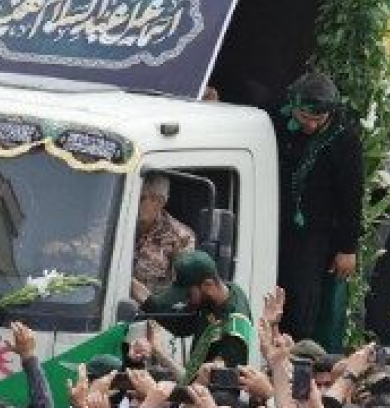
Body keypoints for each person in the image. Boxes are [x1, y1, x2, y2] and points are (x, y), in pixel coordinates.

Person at [274, 72, 363, 343]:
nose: (310, 125)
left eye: (318, 119)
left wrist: (347, 248)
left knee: (303, 300)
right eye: (304, 117)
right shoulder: (280, 123)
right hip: (277, 224)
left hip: (316, 235)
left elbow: (351, 197)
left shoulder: (344, 140)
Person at [142, 249, 253, 373]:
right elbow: (182, 325)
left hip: (207, 391)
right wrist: (143, 298)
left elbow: (208, 382)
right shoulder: (217, 295)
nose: (186, 300)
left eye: (188, 294)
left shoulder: (235, 329)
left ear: (208, 284)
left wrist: (160, 353)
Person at [131, 173, 197, 302]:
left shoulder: (181, 237)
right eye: (137, 197)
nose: (137, 203)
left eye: (142, 198)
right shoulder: (110, 224)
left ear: (161, 202)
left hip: (150, 314)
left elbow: (182, 292)